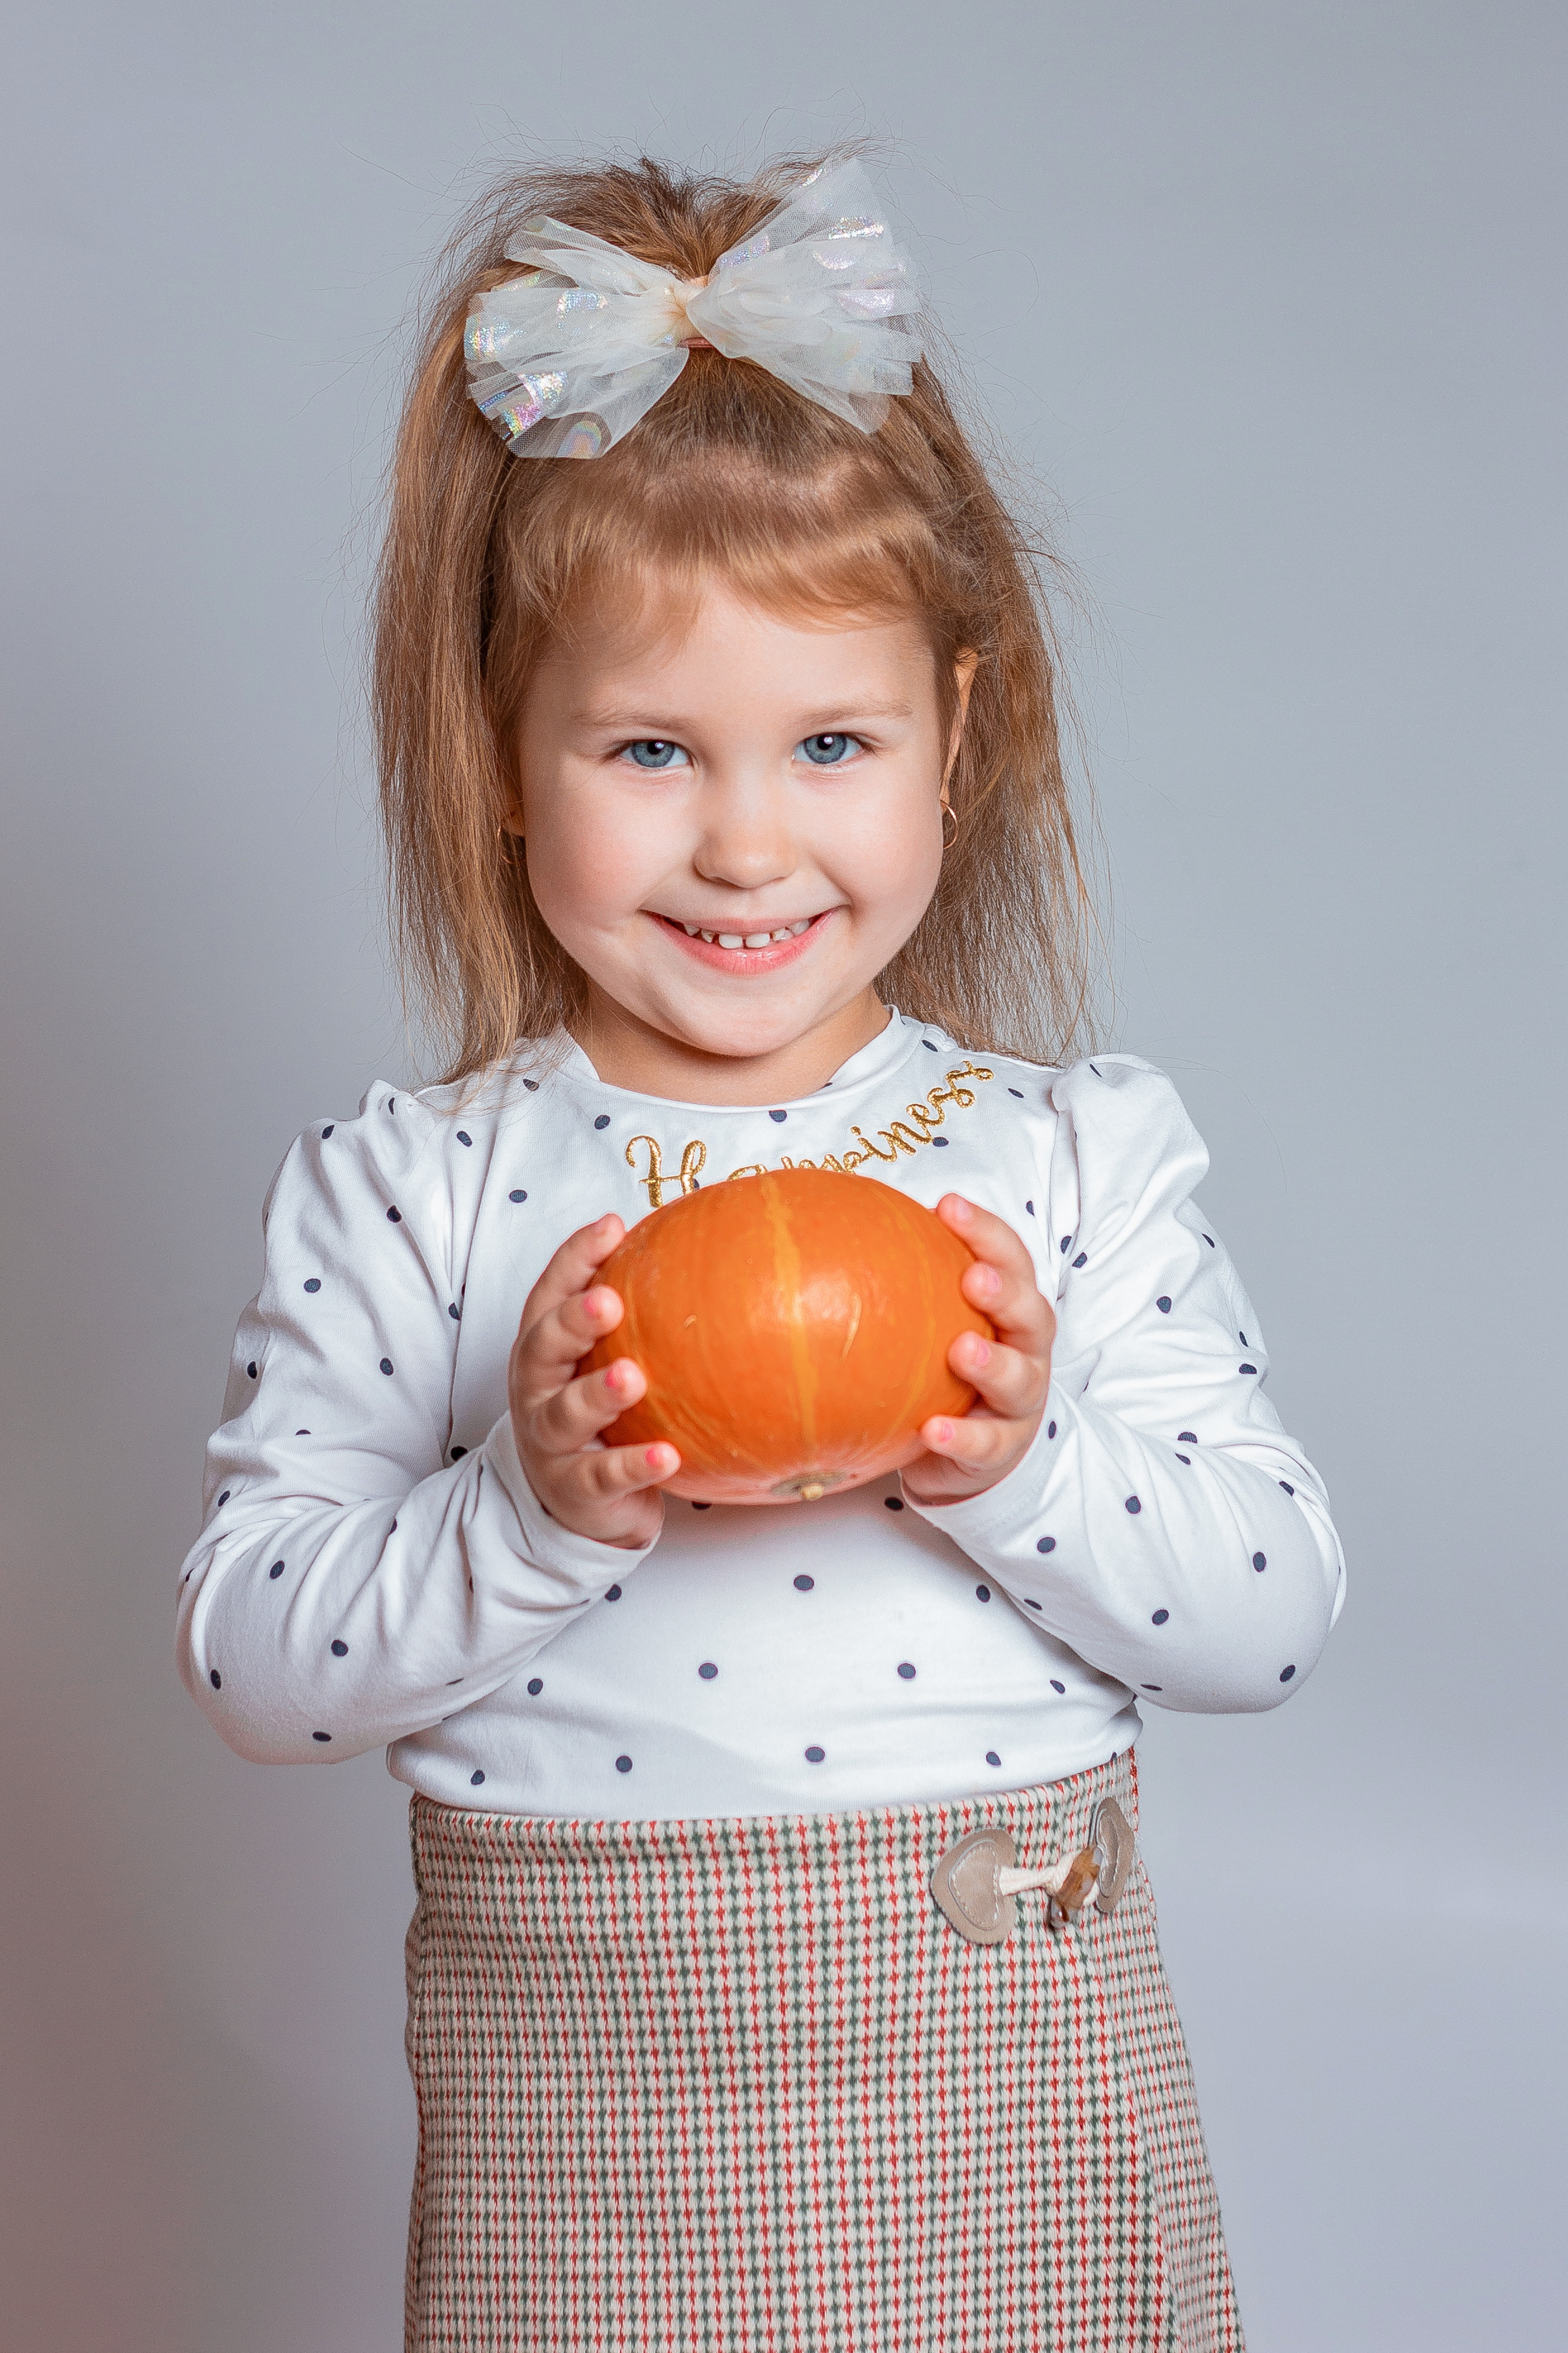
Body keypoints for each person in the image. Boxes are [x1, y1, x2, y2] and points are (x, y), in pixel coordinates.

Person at [177, 151, 1343, 2351]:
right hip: (595, 2141)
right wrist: (528, 1507)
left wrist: (1022, 1461)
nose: (745, 839)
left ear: (953, 739)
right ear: (500, 762)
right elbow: (253, 1663)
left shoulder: (1066, 1156)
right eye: (649, 747)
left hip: (1005, 2109)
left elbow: (1270, 1615)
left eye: (830, 743)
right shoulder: (416, 1188)